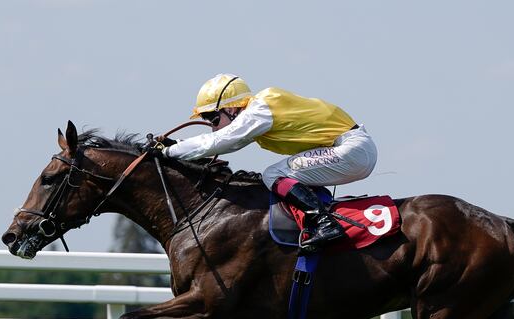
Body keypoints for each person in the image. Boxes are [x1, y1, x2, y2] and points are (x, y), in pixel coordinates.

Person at [160, 74, 378, 249]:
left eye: (214, 119)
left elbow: (219, 141)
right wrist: (177, 145)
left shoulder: (261, 108)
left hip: (351, 149)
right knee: (280, 175)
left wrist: (170, 152)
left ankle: (325, 222)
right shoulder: (257, 116)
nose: (213, 127)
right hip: (349, 149)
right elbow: (226, 142)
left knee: (273, 174)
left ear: (232, 108)